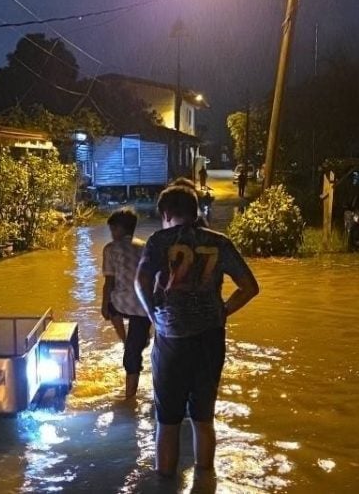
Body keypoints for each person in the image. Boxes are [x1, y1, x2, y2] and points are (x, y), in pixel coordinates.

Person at [135, 185, 260, 478]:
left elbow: (140, 282)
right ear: (195, 211)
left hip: (171, 339)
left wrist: (153, 315)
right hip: (210, 339)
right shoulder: (219, 242)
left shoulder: (159, 241)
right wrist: (222, 311)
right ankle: (205, 480)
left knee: (167, 422)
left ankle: (165, 482)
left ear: (166, 214)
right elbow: (250, 287)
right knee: (204, 419)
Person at [101, 208, 151, 402]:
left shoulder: (110, 249)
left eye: (113, 230)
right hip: (145, 307)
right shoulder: (146, 246)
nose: (112, 234)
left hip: (120, 304)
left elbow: (109, 282)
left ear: (119, 229)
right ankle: (131, 396)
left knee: (111, 310)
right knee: (134, 353)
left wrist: (104, 305)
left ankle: (129, 400)